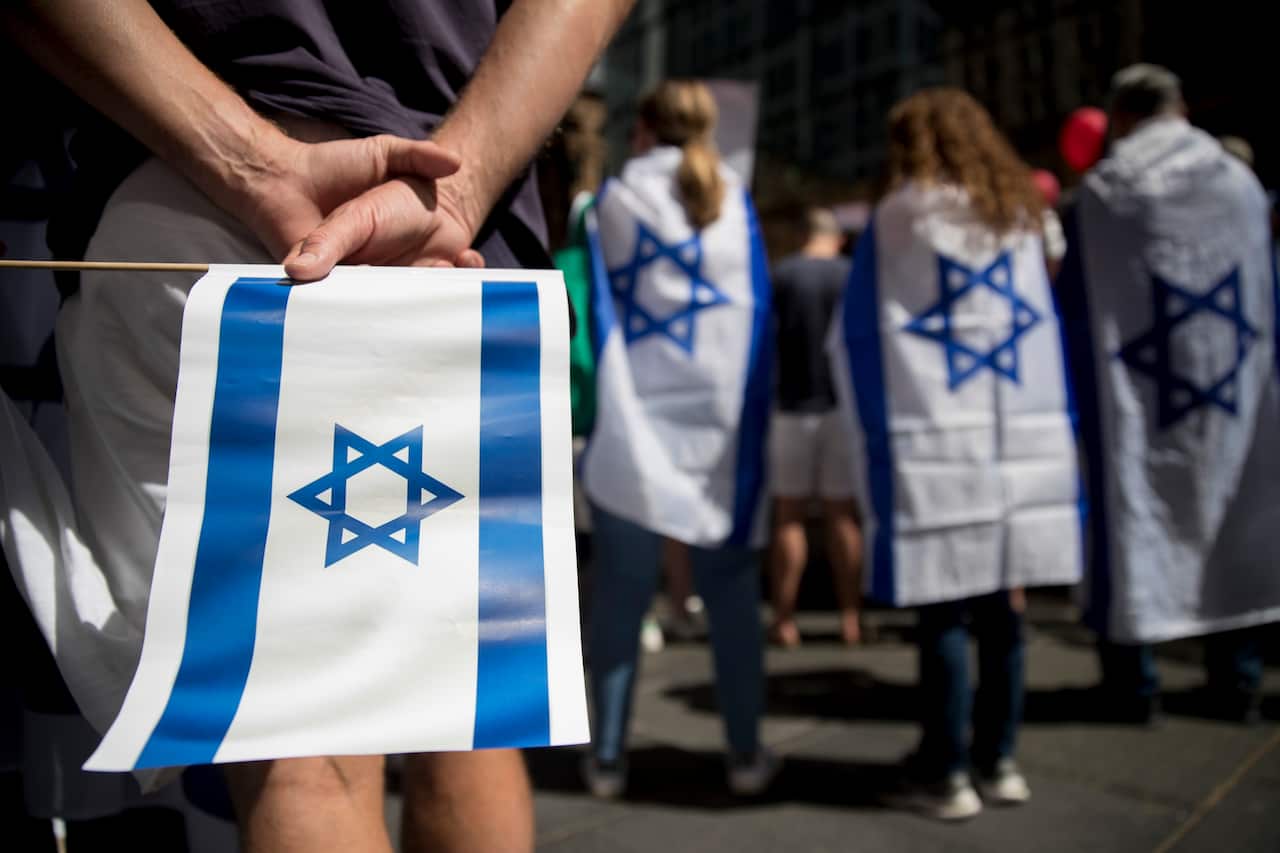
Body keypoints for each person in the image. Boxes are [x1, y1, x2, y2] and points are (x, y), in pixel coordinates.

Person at [0, 2, 635, 851]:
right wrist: (462, 178)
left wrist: (247, 159)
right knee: (469, 723)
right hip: (459, 228)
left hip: (199, 189)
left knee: (305, 760)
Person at [830, 89, 1084, 820]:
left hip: (937, 435)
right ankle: (998, 759)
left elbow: (862, 329)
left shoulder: (902, 215)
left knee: (944, 604)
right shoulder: (1025, 216)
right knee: (1005, 605)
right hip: (1020, 432)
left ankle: (946, 772)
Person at [1057, 64, 1280, 726]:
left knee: (1134, 521)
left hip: (1137, 394)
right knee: (1231, 517)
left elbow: (1074, 303)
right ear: (1180, 106)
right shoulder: (1238, 185)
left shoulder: (1105, 192)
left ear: (1120, 116)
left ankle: (1134, 687)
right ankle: (1236, 681)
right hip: (1229, 387)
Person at [580, 80, 775, 799]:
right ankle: (747, 754)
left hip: (636, 420)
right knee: (730, 599)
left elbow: (593, 314)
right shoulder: (735, 201)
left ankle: (605, 758)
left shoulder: (613, 201)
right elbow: (760, 323)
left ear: (641, 129)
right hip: (720, 432)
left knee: (622, 598)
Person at [767, 206, 864, 648]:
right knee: (841, 515)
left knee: (789, 517)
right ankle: (851, 618)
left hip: (791, 407)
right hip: (842, 409)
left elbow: (766, 343)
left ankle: (785, 618)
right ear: (838, 238)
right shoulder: (852, 275)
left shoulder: (783, 275)